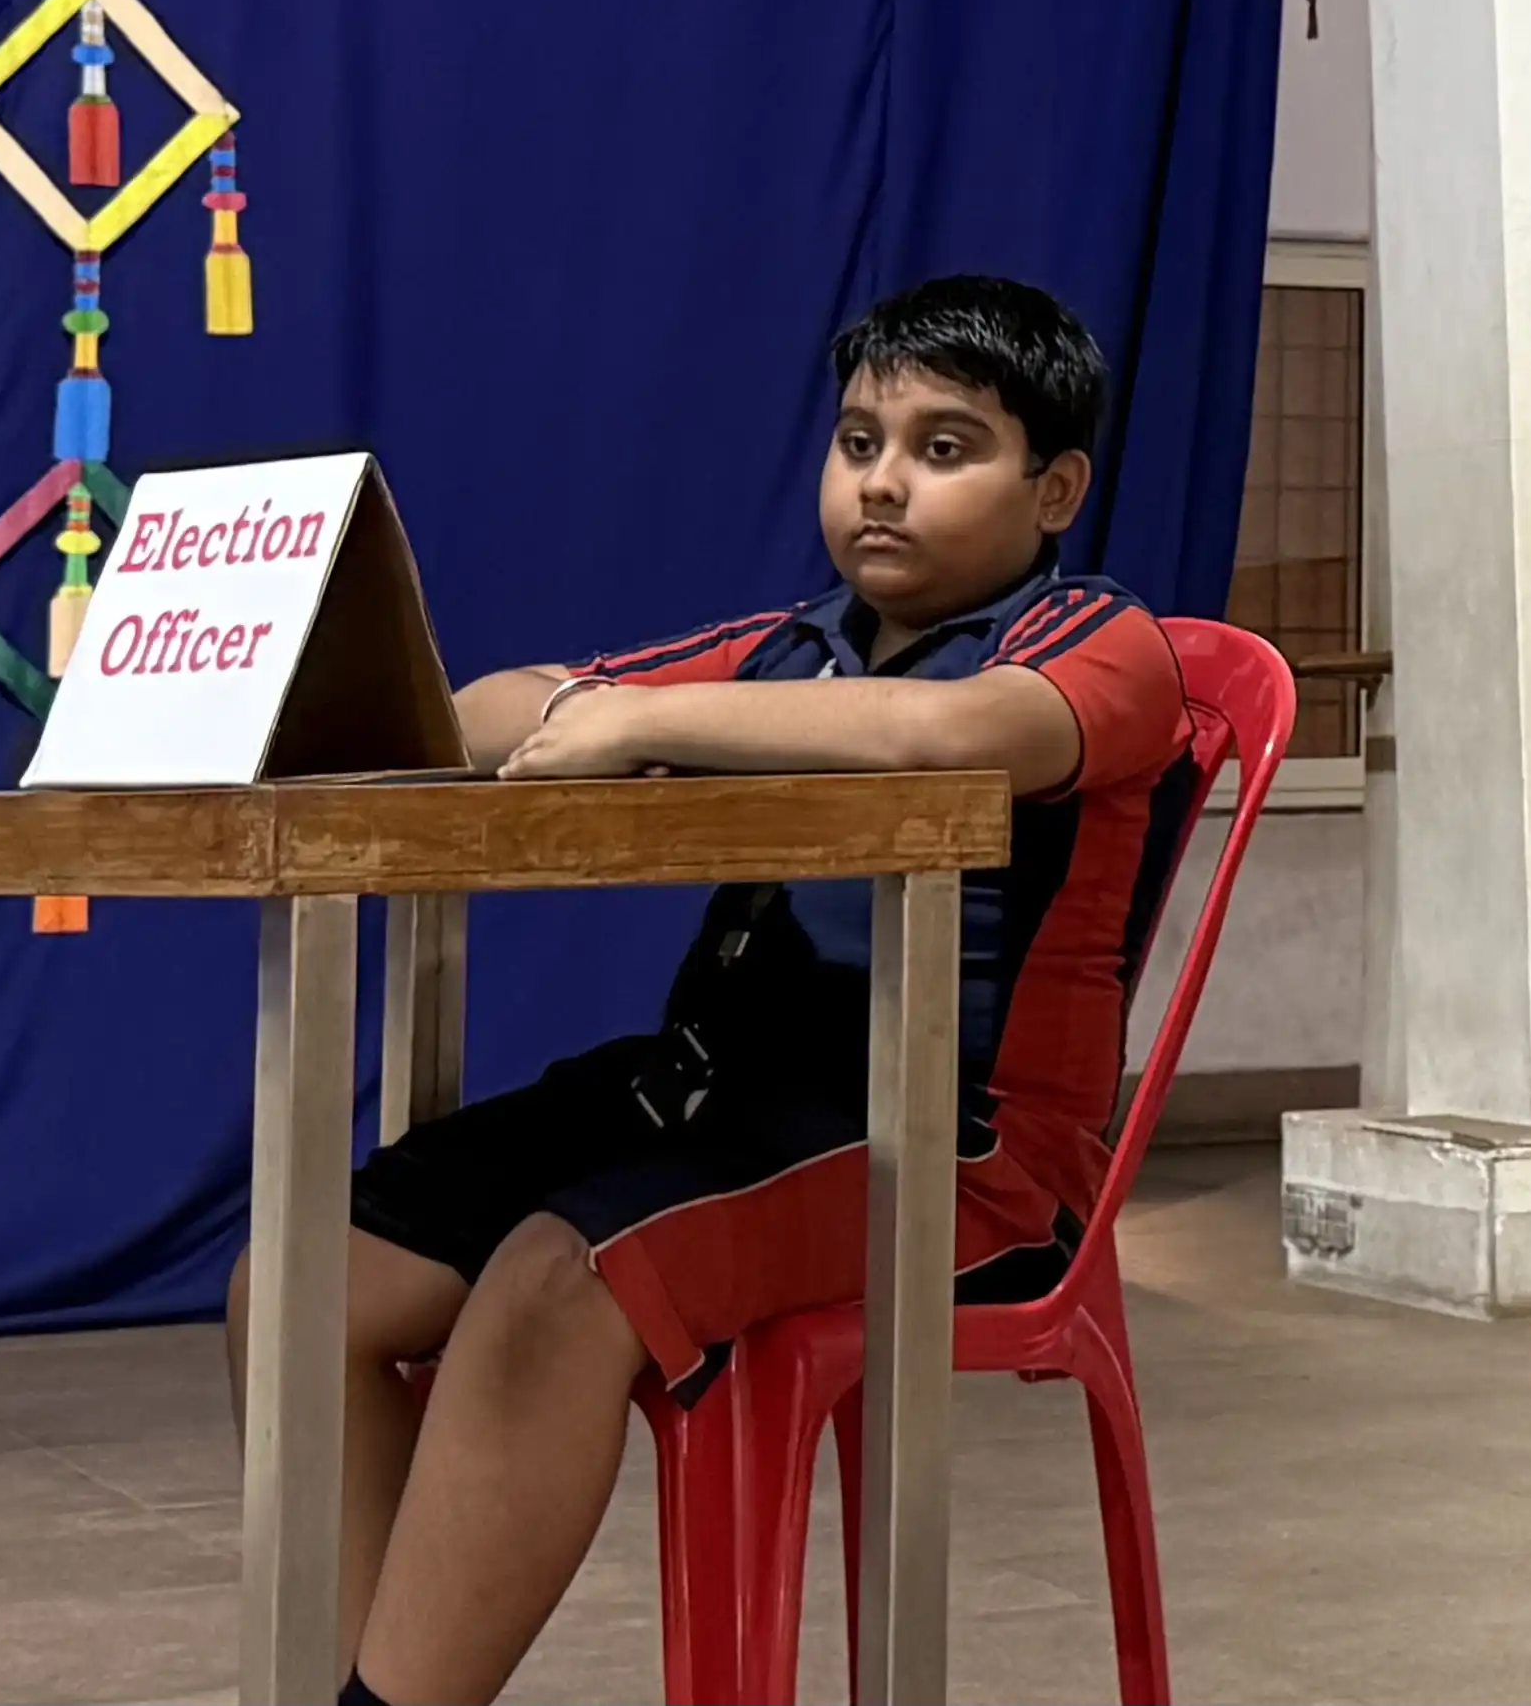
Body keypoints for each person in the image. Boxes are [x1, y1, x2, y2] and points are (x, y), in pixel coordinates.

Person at [225, 274, 1200, 1706]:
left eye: (943, 450)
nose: (883, 484)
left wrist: (643, 721)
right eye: (859, 442)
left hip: (959, 1148)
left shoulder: (1100, 645)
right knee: (301, 1283)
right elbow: (489, 709)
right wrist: (585, 711)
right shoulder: (794, 650)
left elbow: (945, 735)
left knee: (555, 1281)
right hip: (711, 1094)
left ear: (1055, 489)